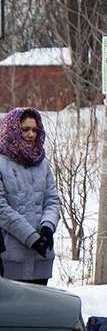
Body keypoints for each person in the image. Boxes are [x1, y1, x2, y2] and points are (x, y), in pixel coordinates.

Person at [0, 108, 61, 285]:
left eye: (34, 130)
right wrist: (31, 238)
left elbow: (52, 200)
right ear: (12, 131)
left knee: (38, 309)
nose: (31, 135)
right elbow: (2, 209)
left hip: (41, 256)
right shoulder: (2, 165)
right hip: (11, 257)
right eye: (25, 130)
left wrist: (48, 227)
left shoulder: (42, 164)